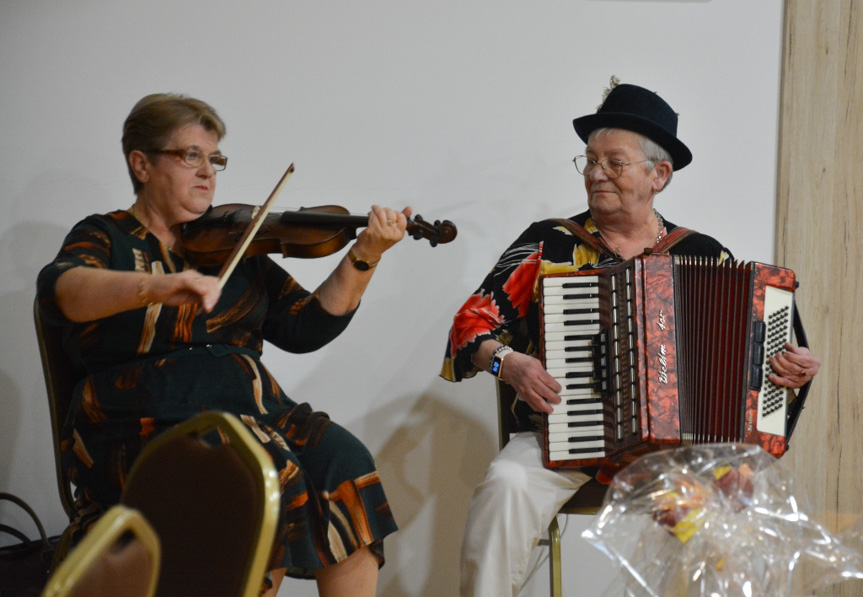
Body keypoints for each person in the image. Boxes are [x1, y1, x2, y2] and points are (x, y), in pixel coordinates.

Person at [440, 79, 822, 597]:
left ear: (658, 175)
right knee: (506, 485)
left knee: (734, 516)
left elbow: (758, 367)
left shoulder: (705, 255)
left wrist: (789, 369)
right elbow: (470, 327)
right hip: (564, 447)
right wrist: (508, 363)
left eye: (614, 163)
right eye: (590, 161)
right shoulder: (547, 243)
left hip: (672, 462)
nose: (596, 174)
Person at [37, 93, 407, 597]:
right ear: (141, 164)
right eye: (190, 155)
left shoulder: (231, 245)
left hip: (253, 410)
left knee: (344, 459)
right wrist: (156, 287)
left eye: (215, 159)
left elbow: (306, 326)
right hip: (145, 421)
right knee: (262, 468)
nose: (208, 172)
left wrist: (365, 255)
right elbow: (62, 290)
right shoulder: (106, 236)